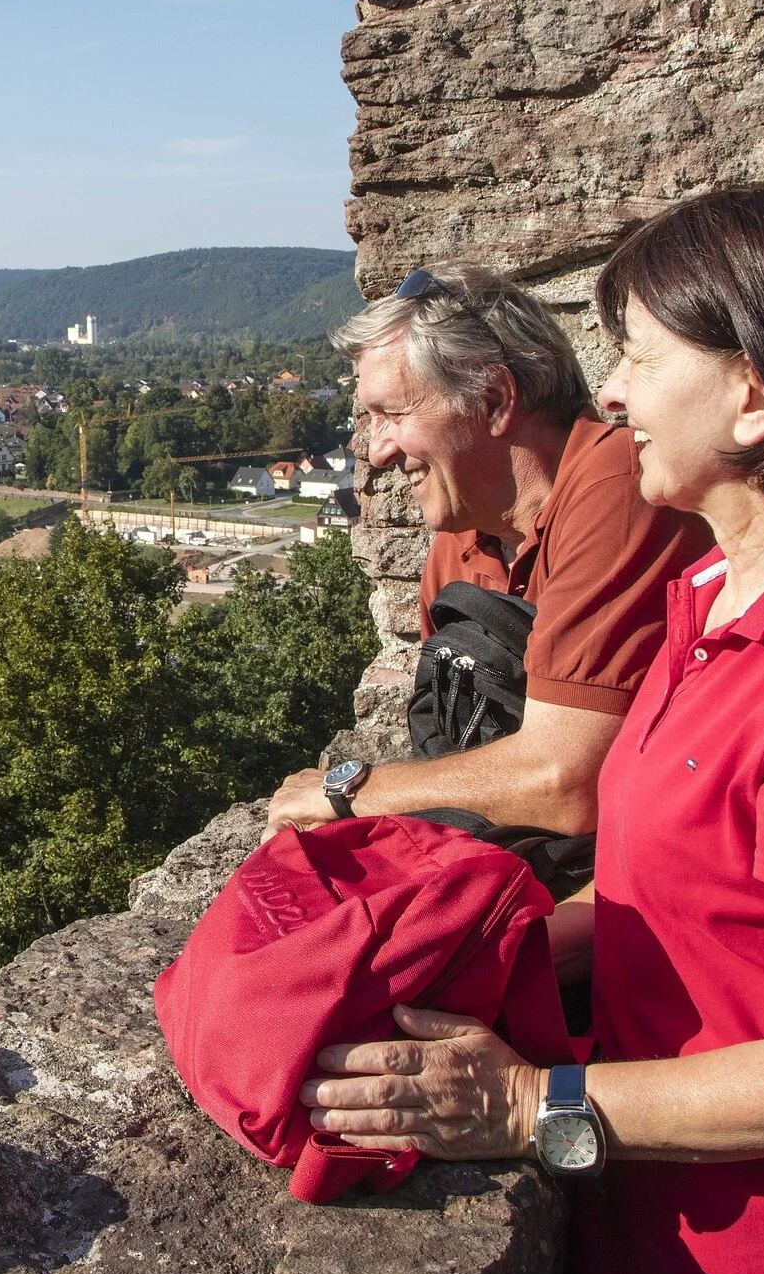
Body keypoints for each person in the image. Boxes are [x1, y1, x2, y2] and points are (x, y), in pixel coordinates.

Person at [301, 186, 764, 1274]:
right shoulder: (715, 602)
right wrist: (508, 948)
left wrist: (521, 1102)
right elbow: (694, 893)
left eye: (639, 356)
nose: (610, 390)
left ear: (753, 396)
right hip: (677, 1234)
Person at [262, 264, 713, 850]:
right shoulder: (462, 542)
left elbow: (568, 784)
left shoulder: (618, 486)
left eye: (393, 414)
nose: (376, 452)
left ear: (496, 398)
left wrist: (345, 791)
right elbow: (461, 757)